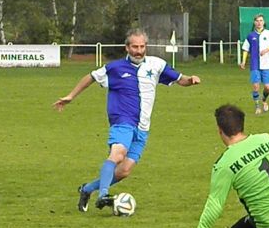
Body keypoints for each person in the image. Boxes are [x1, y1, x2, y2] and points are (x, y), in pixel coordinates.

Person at [53, 28, 201, 211]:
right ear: (127, 47)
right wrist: (70, 96)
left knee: (124, 171)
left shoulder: (157, 65)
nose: (138, 51)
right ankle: (103, 195)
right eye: (134, 47)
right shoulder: (115, 68)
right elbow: (90, 77)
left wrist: (191, 80)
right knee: (117, 154)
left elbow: (180, 79)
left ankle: (87, 189)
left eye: (142, 46)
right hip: (122, 120)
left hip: (143, 126)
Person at [240, 13, 269, 115]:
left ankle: (264, 100)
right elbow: (245, 49)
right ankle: (257, 106)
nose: (259, 23)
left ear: (264, 22)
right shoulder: (250, 36)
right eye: (257, 21)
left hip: (267, 65)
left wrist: (268, 49)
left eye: (261, 20)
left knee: (267, 88)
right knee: (256, 86)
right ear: (254, 22)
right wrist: (243, 61)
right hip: (254, 65)